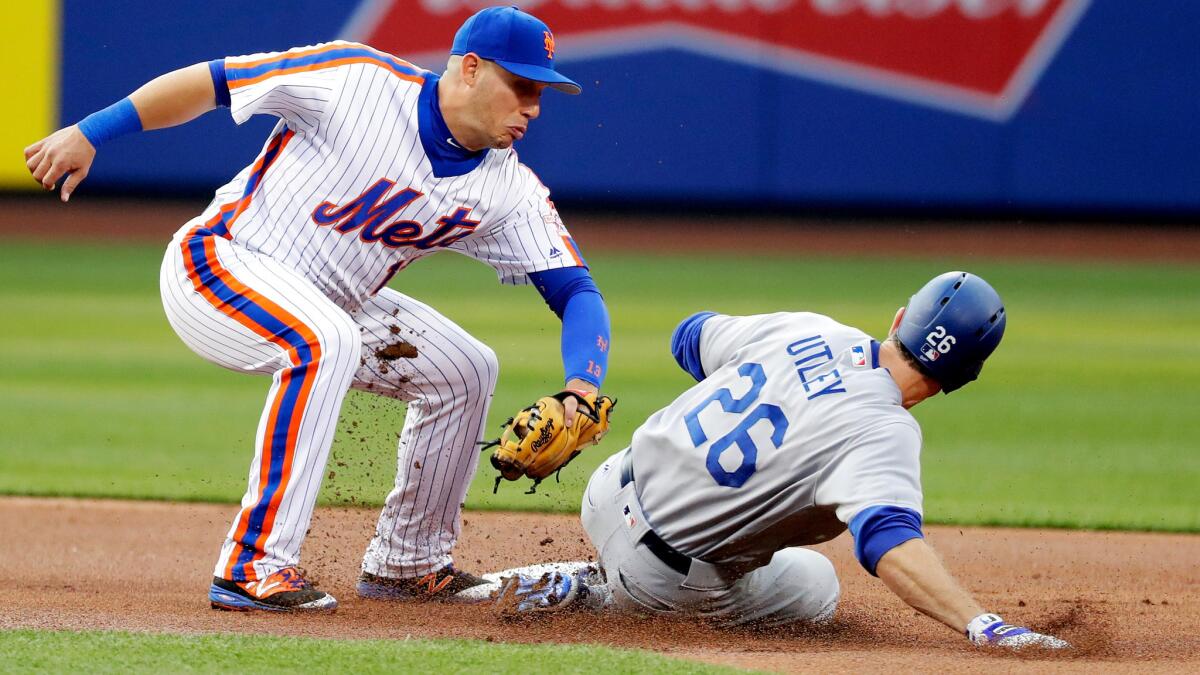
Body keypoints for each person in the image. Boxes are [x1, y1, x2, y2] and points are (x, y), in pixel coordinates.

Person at [23, 6, 611, 613]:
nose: (533, 107)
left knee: (467, 368)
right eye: (521, 86)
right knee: (325, 340)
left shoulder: (506, 187)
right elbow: (212, 82)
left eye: (540, 91)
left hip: (334, 304)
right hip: (220, 263)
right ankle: (251, 565)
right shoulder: (357, 79)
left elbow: (577, 292)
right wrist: (91, 131)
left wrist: (581, 390)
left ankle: (409, 563)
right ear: (469, 69)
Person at [492, 272, 1069, 651]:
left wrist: (772, 382)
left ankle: (589, 578)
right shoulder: (885, 432)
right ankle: (596, 593)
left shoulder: (812, 329)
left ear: (899, 319)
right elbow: (889, 545)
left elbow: (688, 335)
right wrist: (980, 622)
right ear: (962, 378)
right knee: (819, 585)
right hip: (660, 582)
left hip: (607, 489)